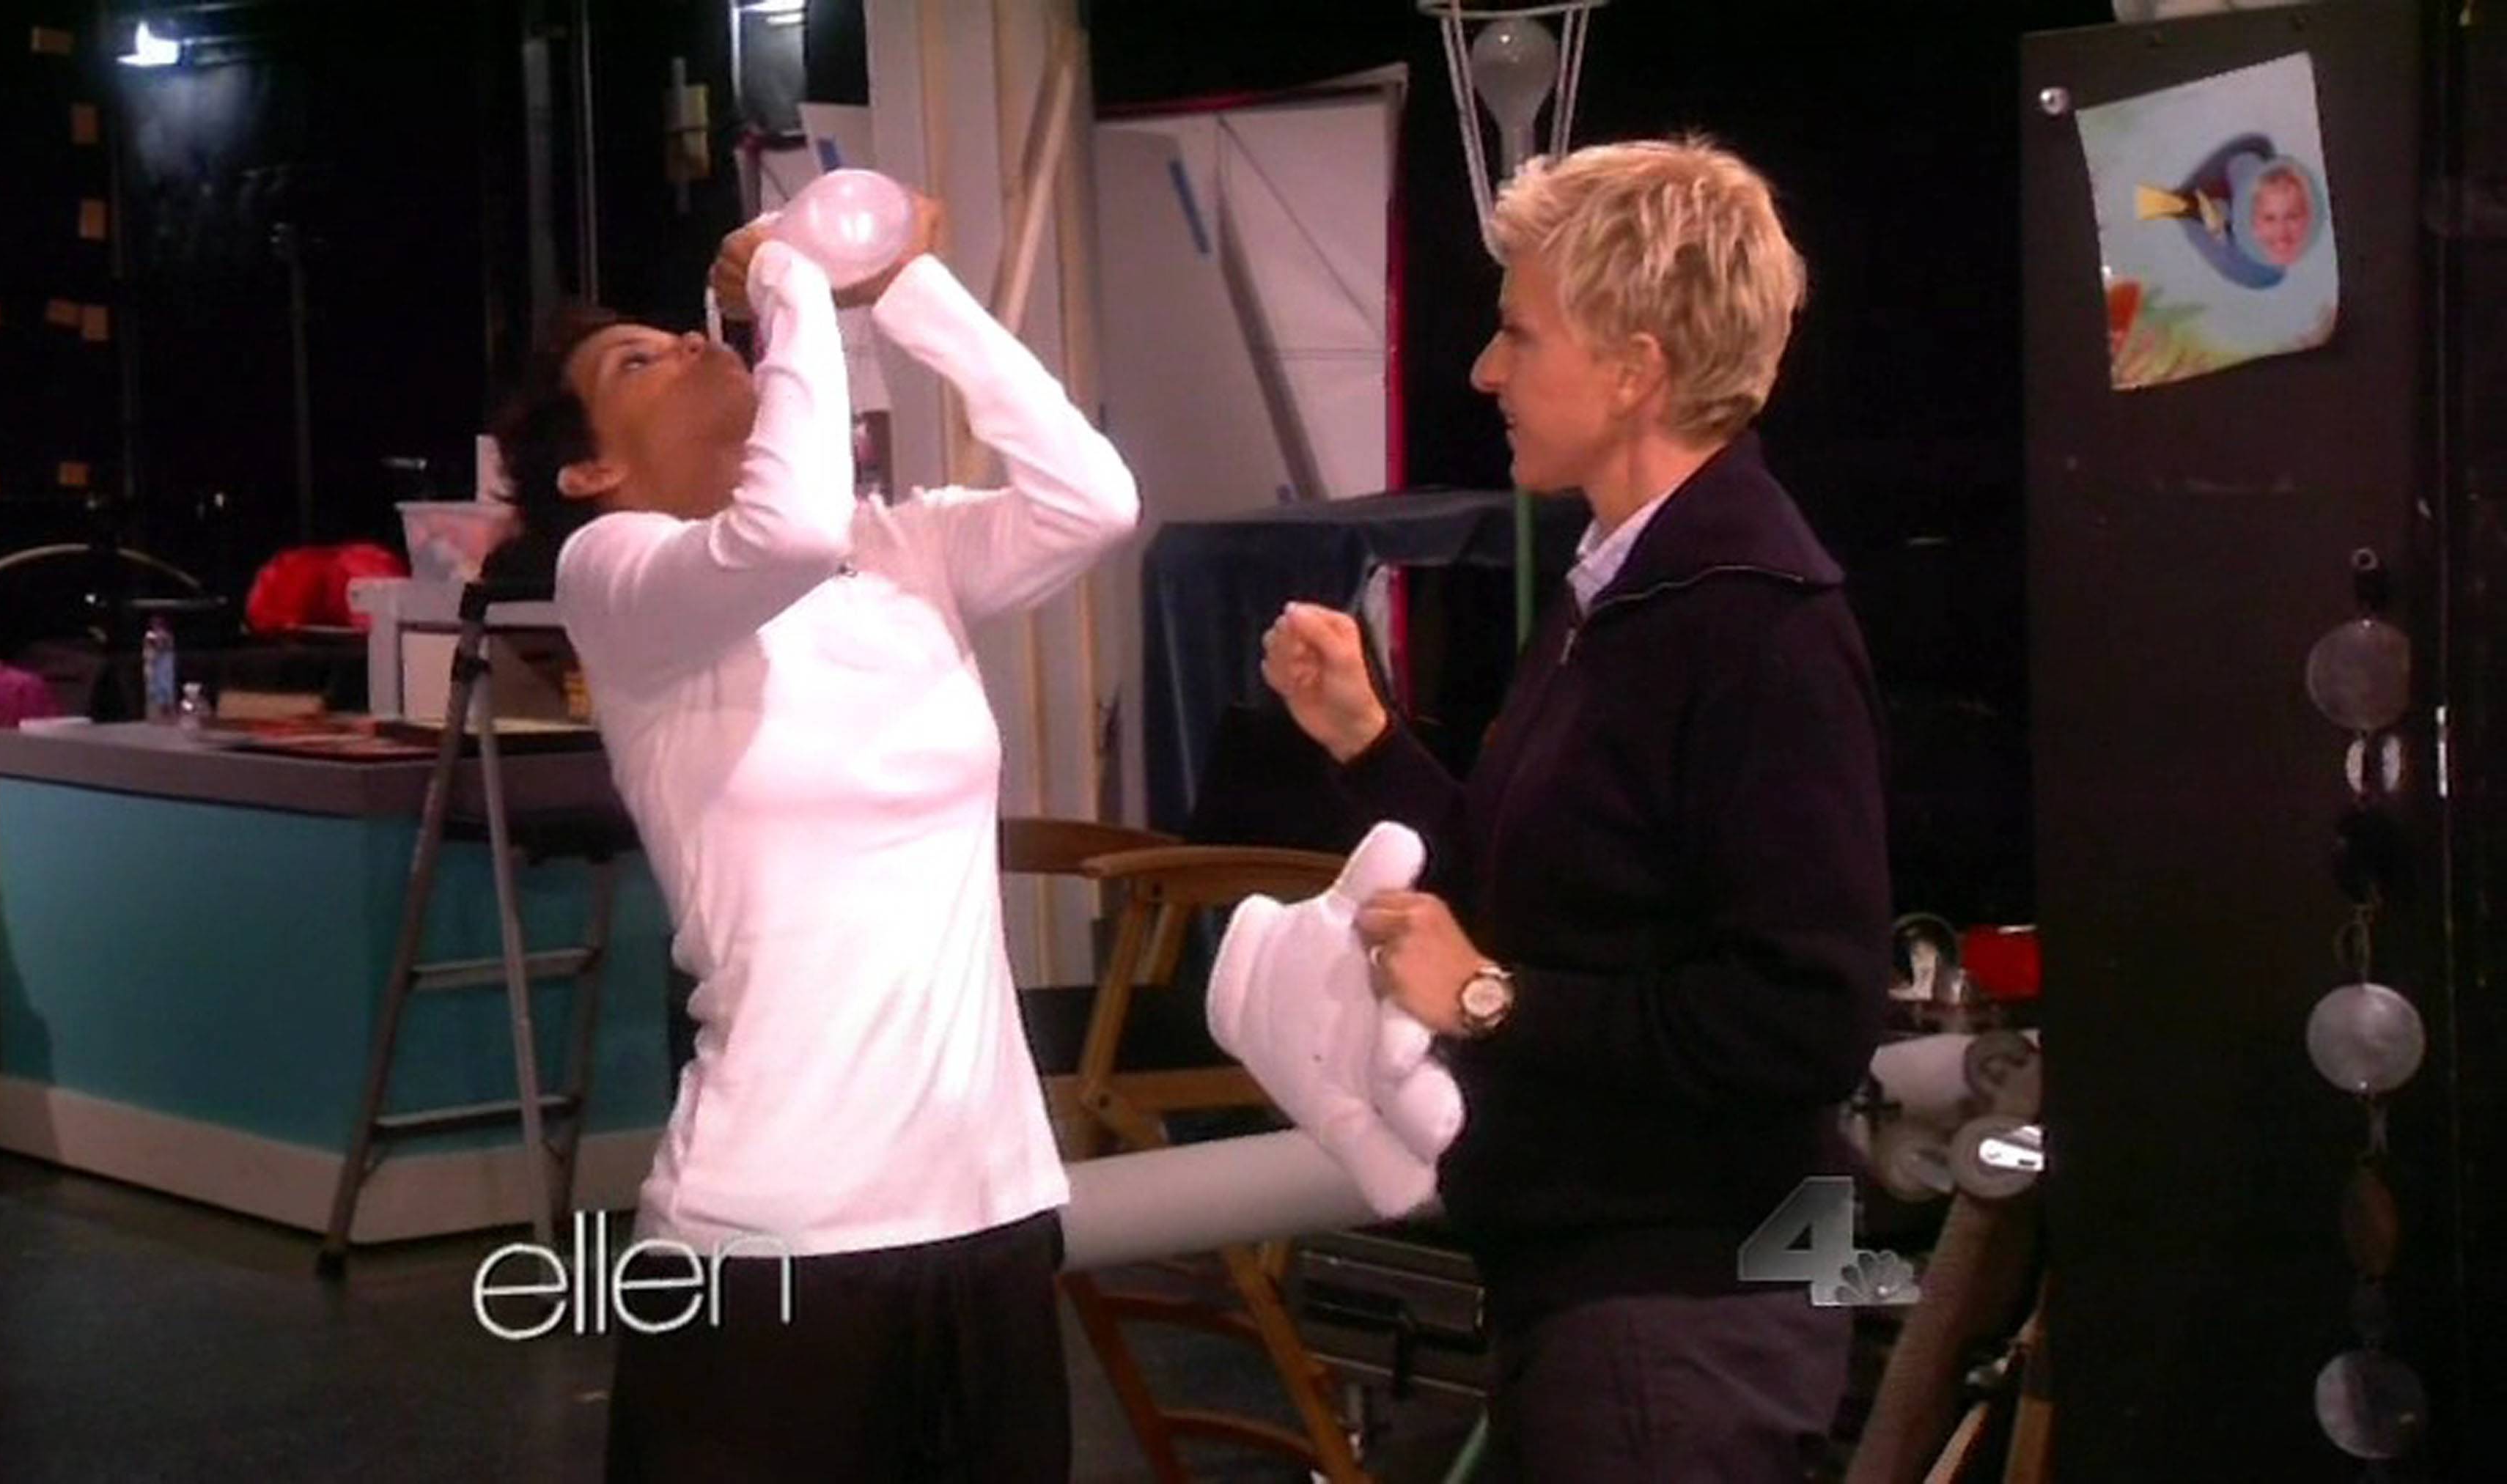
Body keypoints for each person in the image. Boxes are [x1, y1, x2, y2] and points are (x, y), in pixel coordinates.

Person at [1262, 137, 1890, 1482]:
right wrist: (1371, 742)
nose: (1485, 371)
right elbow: (1533, 888)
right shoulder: (1624, 588)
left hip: (1689, 1313)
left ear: (1635, 368)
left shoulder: (1756, 621)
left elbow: (1808, 1017)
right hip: (1604, 1295)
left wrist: (1495, 1000)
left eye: (1519, 333)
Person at [489, 192, 1138, 1481]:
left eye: (677, 330)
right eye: (638, 363)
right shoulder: (613, 573)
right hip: (768, 1238)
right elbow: (781, 531)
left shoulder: (898, 551)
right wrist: (792, 277)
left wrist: (904, 289)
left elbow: (1095, 501)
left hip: (991, 1203)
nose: (690, 343)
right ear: (590, 471)